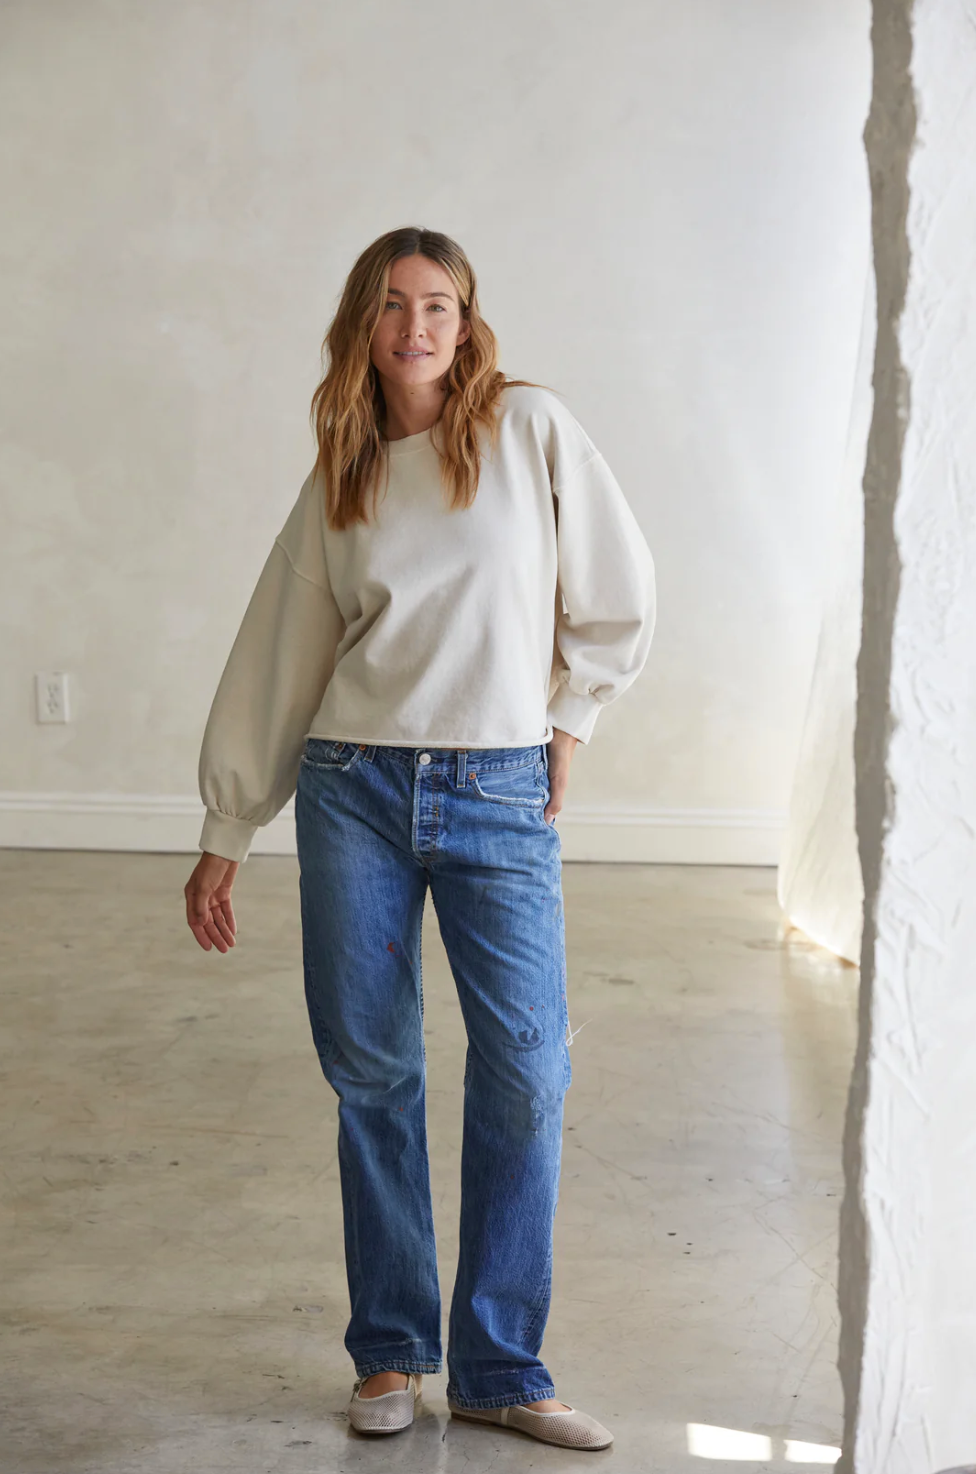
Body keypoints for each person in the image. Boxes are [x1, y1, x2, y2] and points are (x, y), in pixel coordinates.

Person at [184, 226, 656, 1449]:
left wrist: (571, 714)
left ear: (467, 318)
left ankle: (500, 1367)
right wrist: (227, 824)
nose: (416, 327)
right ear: (364, 321)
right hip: (354, 792)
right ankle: (391, 1352)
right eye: (392, 305)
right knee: (374, 1073)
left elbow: (616, 584)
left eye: (437, 304)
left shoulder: (529, 428)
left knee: (526, 1068)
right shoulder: (341, 471)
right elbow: (281, 654)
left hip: (500, 790)